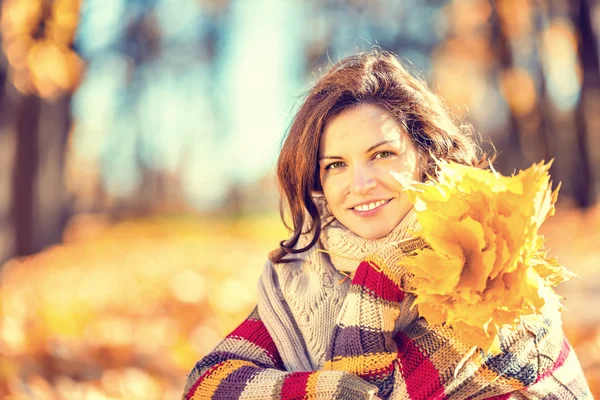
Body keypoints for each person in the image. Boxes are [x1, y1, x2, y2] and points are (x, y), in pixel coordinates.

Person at [182, 49, 592, 399]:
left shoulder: (487, 262)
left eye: (381, 155)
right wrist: (317, 389)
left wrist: (384, 271)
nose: (360, 185)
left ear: (425, 155)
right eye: (336, 165)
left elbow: (379, 389)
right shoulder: (309, 273)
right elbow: (205, 384)